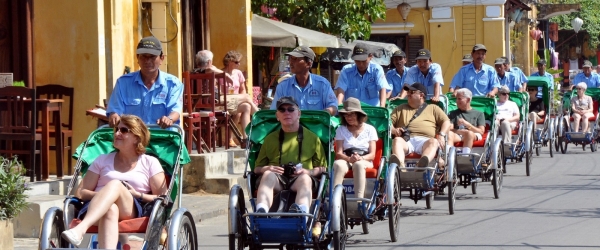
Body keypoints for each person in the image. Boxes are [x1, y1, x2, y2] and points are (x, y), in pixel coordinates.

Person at [61, 115, 167, 248]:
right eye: (117, 129)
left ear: (137, 137)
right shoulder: (102, 160)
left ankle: (80, 229)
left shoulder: (150, 162)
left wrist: (137, 194)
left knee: (116, 184)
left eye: (123, 130)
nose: (117, 133)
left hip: (131, 207)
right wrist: (105, 196)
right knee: (110, 208)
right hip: (95, 208)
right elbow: (80, 192)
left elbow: (163, 198)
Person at [254, 96, 327, 214]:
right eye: (282, 110)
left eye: (290, 109)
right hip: (277, 179)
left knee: (305, 179)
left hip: (300, 179)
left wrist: (308, 172)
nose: (286, 112)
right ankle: (261, 211)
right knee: (267, 174)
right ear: (277, 116)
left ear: (299, 113)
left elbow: (323, 168)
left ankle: (301, 212)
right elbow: (257, 169)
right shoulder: (269, 139)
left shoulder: (313, 138)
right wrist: (268, 168)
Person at [107, 36, 183, 129]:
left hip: (163, 138)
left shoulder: (173, 84)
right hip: (132, 138)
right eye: (143, 56)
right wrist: (114, 115)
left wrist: (169, 119)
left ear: (162, 58)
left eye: (152, 57)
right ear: (137, 58)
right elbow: (115, 110)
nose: (147, 61)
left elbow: (175, 110)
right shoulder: (123, 83)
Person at [331, 98, 378, 215]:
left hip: (364, 159)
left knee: (358, 164)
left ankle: (359, 202)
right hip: (346, 157)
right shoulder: (341, 129)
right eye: (346, 115)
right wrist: (348, 159)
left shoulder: (370, 129)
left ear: (358, 115)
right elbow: (339, 153)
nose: (348, 117)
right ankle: (334, 201)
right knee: (338, 164)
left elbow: (372, 154)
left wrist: (360, 158)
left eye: (351, 114)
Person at [388, 83, 451, 168]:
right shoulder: (400, 108)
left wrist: (441, 135)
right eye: (408, 92)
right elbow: (388, 124)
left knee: (434, 142)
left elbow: (446, 122)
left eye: (412, 92)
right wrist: (394, 130)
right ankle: (401, 167)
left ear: (421, 95)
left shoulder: (433, 108)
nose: (408, 94)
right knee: (397, 140)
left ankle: (422, 165)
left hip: (425, 141)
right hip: (406, 140)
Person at [270, 46, 338, 115]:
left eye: (295, 58)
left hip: (315, 125)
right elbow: (273, 112)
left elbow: (334, 106)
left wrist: (326, 112)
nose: (290, 62)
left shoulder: (322, 84)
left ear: (309, 64)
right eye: (290, 58)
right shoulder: (282, 86)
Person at [221, 50, 259, 147]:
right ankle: (259, 115)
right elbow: (218, 93)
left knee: (246, 106)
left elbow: (242, 89)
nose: (239, 64)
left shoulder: (238, 73)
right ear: (229, 62)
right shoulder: (220, 74)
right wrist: (242, 98)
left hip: (237, 101)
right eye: (237, 62)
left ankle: (246, 138)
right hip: (225, 101)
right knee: (246, 98)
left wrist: (240, 99)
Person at [336, 42, 390, 107]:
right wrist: (338, 107)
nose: (361, 64)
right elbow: (340, 92)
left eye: (364, 61)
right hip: (352, 112)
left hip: (372, 111)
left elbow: (382, 89)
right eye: (357, 61)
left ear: (370, 57)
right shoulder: (346, 71)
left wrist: (382, 108)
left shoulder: (377, 70)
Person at [447, 89, 485, 155]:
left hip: (473, 134)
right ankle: (448, 155)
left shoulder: (479, 113)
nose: (457, 101)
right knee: (449, 134)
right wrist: (461, 132)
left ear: (468, 100)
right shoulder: (453, 113)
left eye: (459, 99)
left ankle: (465, 155)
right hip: (458, 134)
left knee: (469, 134)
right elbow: (450, 129)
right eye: (456, 99)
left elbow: (481, 131)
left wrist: (467, 125)